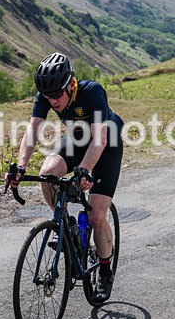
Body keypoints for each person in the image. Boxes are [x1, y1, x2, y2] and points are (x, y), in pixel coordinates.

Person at [7, 52, 123, 303]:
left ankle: (104, 270)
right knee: (47, 175)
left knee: (96, 215)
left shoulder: (92, 91)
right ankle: (67, 226)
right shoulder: (47, 95)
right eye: (48, 97)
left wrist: (85, 170)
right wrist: (20, 165)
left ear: (70, 84)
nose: (54, 101)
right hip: (78, 140)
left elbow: (100, 139)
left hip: (107, 143)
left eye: (58, 95)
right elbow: (32, 131)